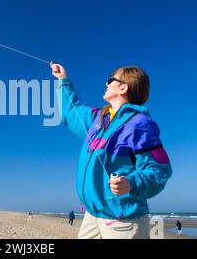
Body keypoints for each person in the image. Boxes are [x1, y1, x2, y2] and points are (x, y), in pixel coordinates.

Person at [50, 62, 172, 239]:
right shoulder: (97, 118)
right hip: (92, 214)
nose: (106, 83)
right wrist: (63, 80)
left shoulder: (140, 124)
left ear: (123, 87)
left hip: (123, 220)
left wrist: (131, 183)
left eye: (110, 79)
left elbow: (160, 170)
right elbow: (71, 111)